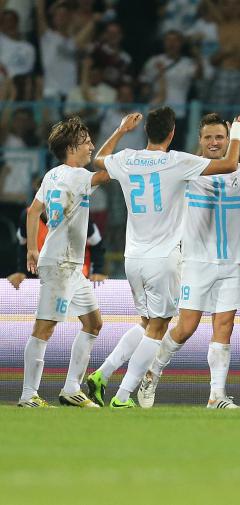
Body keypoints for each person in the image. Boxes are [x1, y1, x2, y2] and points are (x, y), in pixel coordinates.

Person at [135, 113, 240, 409]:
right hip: (195, 262)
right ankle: (152, 373)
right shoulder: (188, 169)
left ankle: (216, 396)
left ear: (226, 140)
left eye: (220, 137)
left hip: (228, 264)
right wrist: (238, 133)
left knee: (225, 325)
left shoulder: (239, 172)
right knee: (186, 327)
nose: (214, 142)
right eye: (208, 138)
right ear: (199, 141)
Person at [84, 107, 240, 409]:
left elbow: (98, 159)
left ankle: (102, 374)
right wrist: (235, 132)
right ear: (172, 133)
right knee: (158, 329)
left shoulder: (127, 158)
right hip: (164, 259)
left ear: (147, 131)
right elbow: (231, 163)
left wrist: (120, 130)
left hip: (133, 258)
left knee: (146, 324)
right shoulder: (178, 161)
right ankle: (122, 396)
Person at [17, 115, 122, 407]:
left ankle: (71, 389)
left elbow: (32, 211)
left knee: (93, 322)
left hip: (69, 265)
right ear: (72, 147)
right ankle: (28, 395)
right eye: (87, 142)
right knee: (44, 327)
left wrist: (31, 249)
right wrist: (121, 130)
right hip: (60, 264)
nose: (91, 147)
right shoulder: (77, 176)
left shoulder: (52, 174)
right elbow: (108, 168)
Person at [8, 175, 107, 290]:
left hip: (77, 279)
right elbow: (22, 245)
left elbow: (97, 244)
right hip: (42, 280)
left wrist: (97, 271)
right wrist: (21, 272)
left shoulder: (79, 214)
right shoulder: (28, 216)